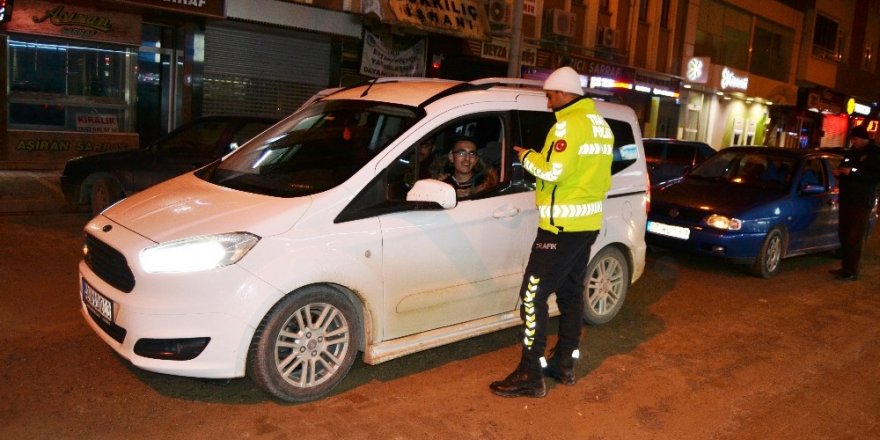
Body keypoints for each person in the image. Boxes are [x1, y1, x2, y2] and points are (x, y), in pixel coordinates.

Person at [489, 66, 614, 398]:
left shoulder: (566, 127)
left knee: (532, 297)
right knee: (572, 293)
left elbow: (553, 170)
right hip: (585, 225)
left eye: (550, 96)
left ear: (563, 93)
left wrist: (527, 157)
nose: (548, 103)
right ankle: (565, 363)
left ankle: (530, 373)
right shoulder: (600, 126)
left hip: (559, 227)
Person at [829, 124, 880, 281]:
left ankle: (852, 270)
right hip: (847, 197)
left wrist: (853, 172)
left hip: (862, 200)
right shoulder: (852, 152)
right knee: (843, 233)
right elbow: (844, 166)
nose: (853, 142)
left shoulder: (875, 154)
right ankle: (845, 266)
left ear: (864, 139)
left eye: (855, 139)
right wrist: (839, 173)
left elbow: (874, 176)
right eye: (852, 139)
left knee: (855, 235)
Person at [434, 137, 498, 198]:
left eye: (472, 154)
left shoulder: (487, 185)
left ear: (476, 159)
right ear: (451, 157)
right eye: (461, 153)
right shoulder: (441, 184)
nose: (467, 159)